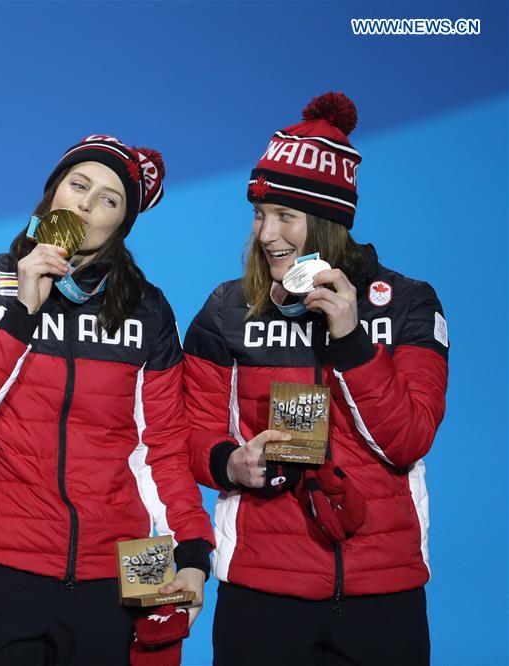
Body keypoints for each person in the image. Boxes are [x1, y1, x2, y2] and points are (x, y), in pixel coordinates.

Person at [184, 92, 449, 665]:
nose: (266, 235)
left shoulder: (407, 304)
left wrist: (353, 340)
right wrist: (229, 462)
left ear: (328, 222)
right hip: (262, 590)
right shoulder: (227, 309)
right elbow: (190, 430)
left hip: (383, 593)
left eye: (285, 216)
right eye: (259, 215)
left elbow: (407, 439)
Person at [0, 135, 214, 665]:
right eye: (78, 184)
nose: (86, 203)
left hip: (124, 573)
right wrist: (20, 311)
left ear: (120, 227)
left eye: (109, 199)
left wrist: (193, 551)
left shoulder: (148, 309)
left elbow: (162, 448)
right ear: (51, 194)